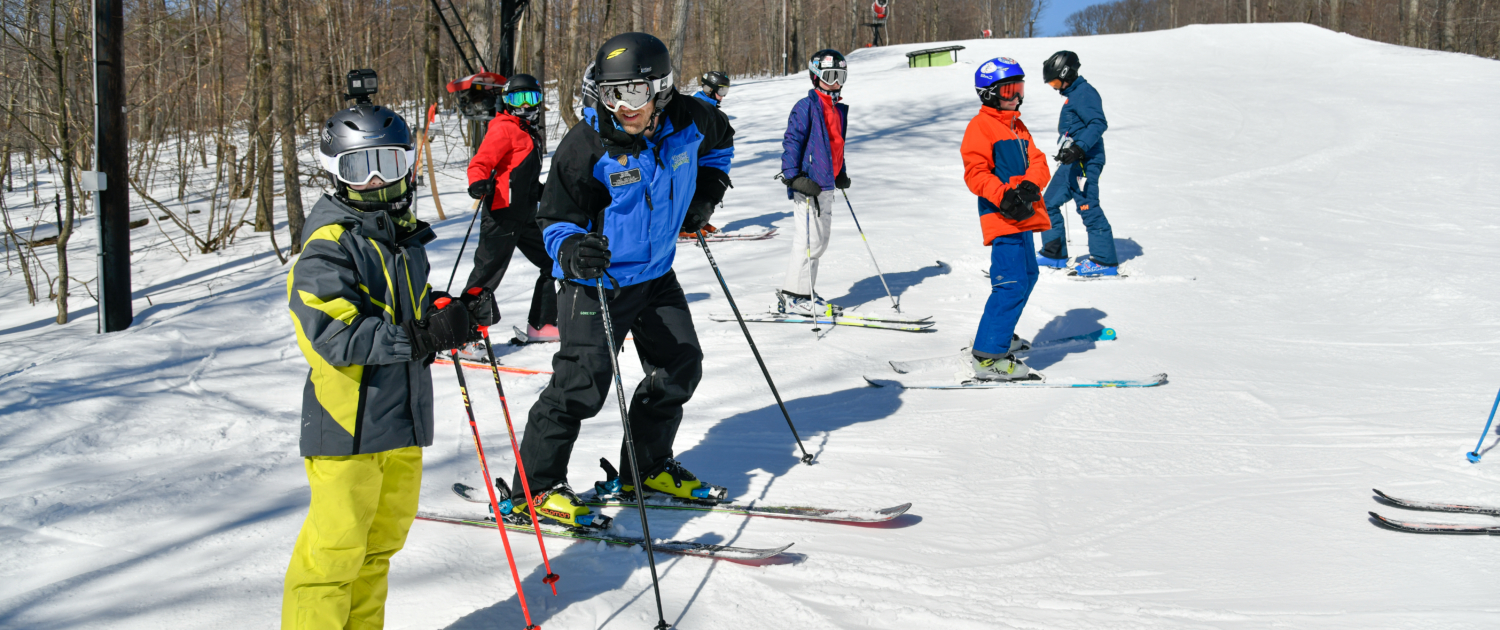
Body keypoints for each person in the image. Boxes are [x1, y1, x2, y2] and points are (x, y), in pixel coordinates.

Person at [501, 32, 735, 529]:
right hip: (597, 281)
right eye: (611, 94)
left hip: (655, 273)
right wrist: (571, 249)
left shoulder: (692, 118)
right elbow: (553, 220)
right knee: (580, 385)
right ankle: (533, 490)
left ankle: (644, 470)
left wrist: (707, 193)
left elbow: (721, 144)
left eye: (634, 93)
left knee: (679, 366)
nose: (623, 107)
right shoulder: (585, 144)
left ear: (663, 89)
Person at [283, 79, 492, 628]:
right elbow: (335, 336)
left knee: (377, 551)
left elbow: (408, 308)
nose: (375, 180)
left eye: (387, 164)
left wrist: (453, 312)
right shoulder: (328, 244)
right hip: (348, 426)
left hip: (401, 420)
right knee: (333, 559)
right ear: (335, 173)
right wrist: (423, 336)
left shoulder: (400, 239)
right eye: (359, 168)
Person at [960, 57, 1052, 380]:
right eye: (1010, 89)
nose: (1017, 96)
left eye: (1020, 88)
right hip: (1002, 217)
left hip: (1025, 216)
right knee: (1011, 283)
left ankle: (1001, 331)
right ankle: (988, 357)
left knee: (1028, 275)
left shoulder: (1017, 127)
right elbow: (975, 173)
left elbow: (1039, 161)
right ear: (989, 94)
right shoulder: (980, 127)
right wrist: (1004, 195)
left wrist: (1030, 184)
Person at [460, 73, 560, 347]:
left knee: (554, 262)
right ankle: (464, 335)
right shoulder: (503, 127)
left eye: (532, 98)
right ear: (507, 101)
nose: (525, 105)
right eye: (518, 99)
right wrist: (478, 182)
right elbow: (480, 162)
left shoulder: (528, 132)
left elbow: (522, 175)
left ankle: (544, 324)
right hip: (502, 215)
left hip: (526, 215)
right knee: (486, 275)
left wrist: (547, 194)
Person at [778, 49, 850, 316]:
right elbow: (792, 141)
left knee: (820, 242)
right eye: (830, 76)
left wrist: (840, 171)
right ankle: (794, 296)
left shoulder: (837, 108)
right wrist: (793, 176)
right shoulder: (807, 106)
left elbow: (835, 145)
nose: (835, 82)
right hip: (808, 184)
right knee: (808, 241)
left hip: (826, 184)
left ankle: (804, 290)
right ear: (815, 76)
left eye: (840, 76)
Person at [1035, 50, 1117, 277]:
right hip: (1072, 161)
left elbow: (1098, 123)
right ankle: (1054, 253)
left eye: (1054, 81)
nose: (1054, 87)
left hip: (1086, 161)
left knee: (1087, 206)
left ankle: (1105, 261)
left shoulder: (1085, 93)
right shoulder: (1074, 94)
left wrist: (1078, 148)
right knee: (1047, 203)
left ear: (1066, 73)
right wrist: (1068, 151)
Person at [679, 70, 733, 239]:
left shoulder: (711, 111)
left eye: (726, 91)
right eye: (721, 91)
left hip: (711, 160)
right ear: (709, 89)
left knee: (711, 190)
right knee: (703, 190)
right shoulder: (698, 108)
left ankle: (699, 219)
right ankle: (684, 224)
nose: (723, 96)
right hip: (699, 162)